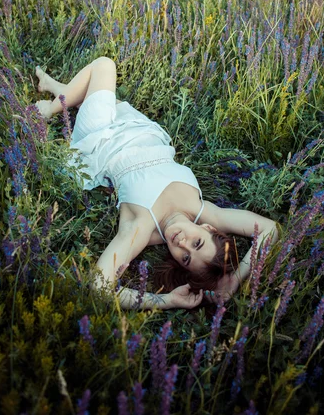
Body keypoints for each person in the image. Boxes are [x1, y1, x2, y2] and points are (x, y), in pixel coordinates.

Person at [35, 56, 279, 310]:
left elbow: (98, 286)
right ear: (207, 228)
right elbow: (269, 229)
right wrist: (236, 278)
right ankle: (61, 93)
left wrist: (166, 301)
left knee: (104, 66)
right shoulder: (204, 212)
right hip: (137, 124)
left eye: (185, 258)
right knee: (101, 95)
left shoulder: (141, 227)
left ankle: (49, 110)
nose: (182, 242)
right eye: (197, 243)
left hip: (102, 134)